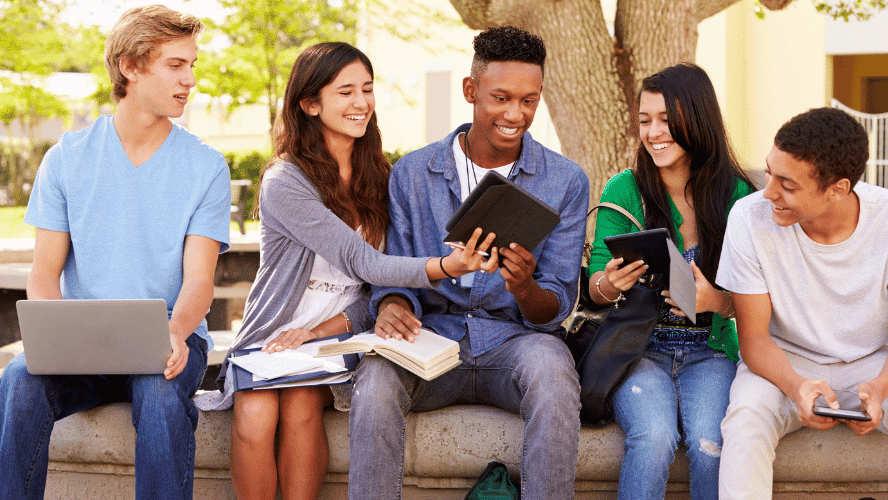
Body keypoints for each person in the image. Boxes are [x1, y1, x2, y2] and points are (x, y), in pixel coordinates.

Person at [193, 43, 496, 500]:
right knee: (254, 416)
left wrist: (324, 330)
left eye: (368, 90)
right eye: (346, 92)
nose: (361, 103)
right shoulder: (286, 181)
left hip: (343, 332)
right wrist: (444, 266)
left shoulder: (382, 176)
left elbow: (372, 286)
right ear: (310, 104)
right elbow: (363, 260)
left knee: (300, 406)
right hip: (274, 332)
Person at [347, 26, 589, 500]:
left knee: (555, 372)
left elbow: (556, 305)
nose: (515, 114)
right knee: (374, 379)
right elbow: (395, 269)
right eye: (501, 97)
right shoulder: (413, 173)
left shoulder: (565, 181)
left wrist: (525, 289)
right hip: (432, 338)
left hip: (515, 341)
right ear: (470, 90)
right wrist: (393, 303)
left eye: (529, 101)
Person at [0, 6, 232, 500]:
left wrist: (174, 332)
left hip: (172, 338)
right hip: (84, 343)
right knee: (19, 379)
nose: (190, 79)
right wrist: (55, 337)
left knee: (159, 390)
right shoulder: (66, 157)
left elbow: (199, 283)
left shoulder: (206, 166)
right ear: (130, 66)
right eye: (176, 65)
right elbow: (44, 275)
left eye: (192, 64)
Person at [716, 107, 888, 500]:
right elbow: (754, 340)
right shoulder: (748, 217)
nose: (769, 192)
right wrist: (796, 387)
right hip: (784, 360)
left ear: (838, 188)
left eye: (787, 185)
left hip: (876, 359)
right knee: (745, 419)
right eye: (770, 173)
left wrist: (880, 388)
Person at [586, 63, 753, 500]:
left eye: (666, 120)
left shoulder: (737, 197)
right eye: (645, 121)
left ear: (696, 121)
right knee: (654, 438)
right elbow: (594, 286)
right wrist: (611, 282)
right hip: (638, 353)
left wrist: (716, 300)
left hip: (709, 352)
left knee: (710, 444)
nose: (654, 132)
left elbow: (759, 299)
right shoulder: (625, 189)